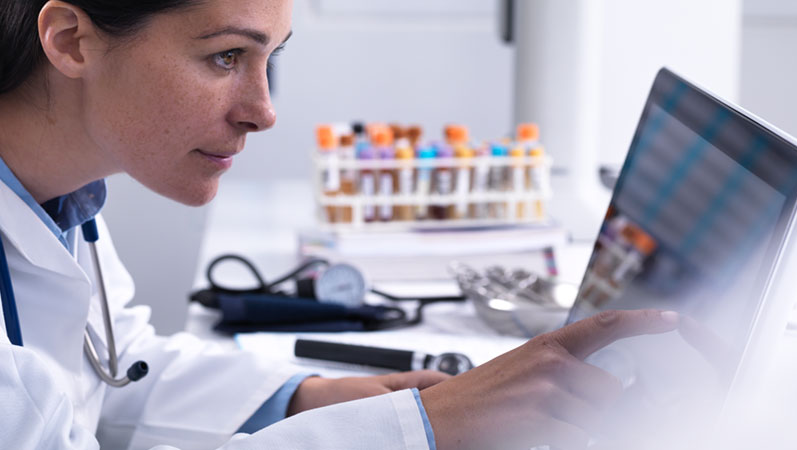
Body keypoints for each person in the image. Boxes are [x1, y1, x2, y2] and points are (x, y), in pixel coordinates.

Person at [0, 1, 680, 448]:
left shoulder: (61, 201)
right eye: (225, 57)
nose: (264, 111)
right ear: (70, 41)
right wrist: (408, 432)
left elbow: (118, 374)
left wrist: (308, 398)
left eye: (273, 58)